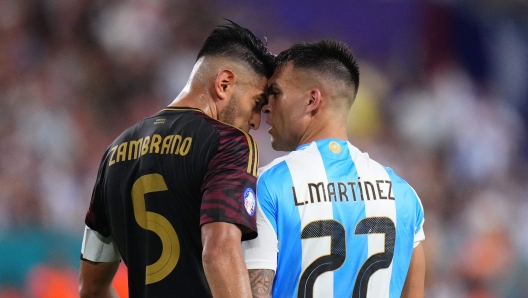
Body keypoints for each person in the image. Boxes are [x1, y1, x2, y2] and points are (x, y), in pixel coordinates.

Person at [79, 21, 275, 298]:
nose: (256, 122)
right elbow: (219, 251)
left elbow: (90, 288)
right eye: (256, 104)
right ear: (224, 83)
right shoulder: (229, 143)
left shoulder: (114, 152)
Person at [242, 40, 425, 298]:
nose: (266, 106)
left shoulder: (267, 185)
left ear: (312, 100)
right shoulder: (404, 195)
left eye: (275, 93)